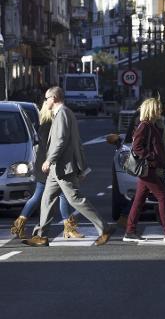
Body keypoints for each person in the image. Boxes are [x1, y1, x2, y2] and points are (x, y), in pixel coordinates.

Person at [22, 87, 115, 247]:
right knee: (47, 198)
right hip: (57, 169)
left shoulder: (63, 113)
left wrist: (49, 160)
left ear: (55, 98)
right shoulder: (61, 113)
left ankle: (104, 228)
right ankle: (41, 236)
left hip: (63, 167)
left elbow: (61, 140)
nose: (45, 101)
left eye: (47, 98)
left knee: (75, 199)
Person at [10, 105, 82, 239]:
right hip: (51, 167)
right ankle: (69, 228)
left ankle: (19, 224)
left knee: (38, 196)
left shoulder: (44, 125)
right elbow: (56, 147)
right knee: (63, 196)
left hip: (44, 166)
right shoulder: (52, 125)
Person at [123, 98, 165, 242]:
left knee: (139, 200)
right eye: (157, 108)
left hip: (151, 168)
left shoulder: (151, 126)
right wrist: (151, 157)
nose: (160, 111)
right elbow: (137, 148)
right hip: (148, 168)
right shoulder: (144, 126)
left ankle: (130, 231)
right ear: (151, 110)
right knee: (162, 197)